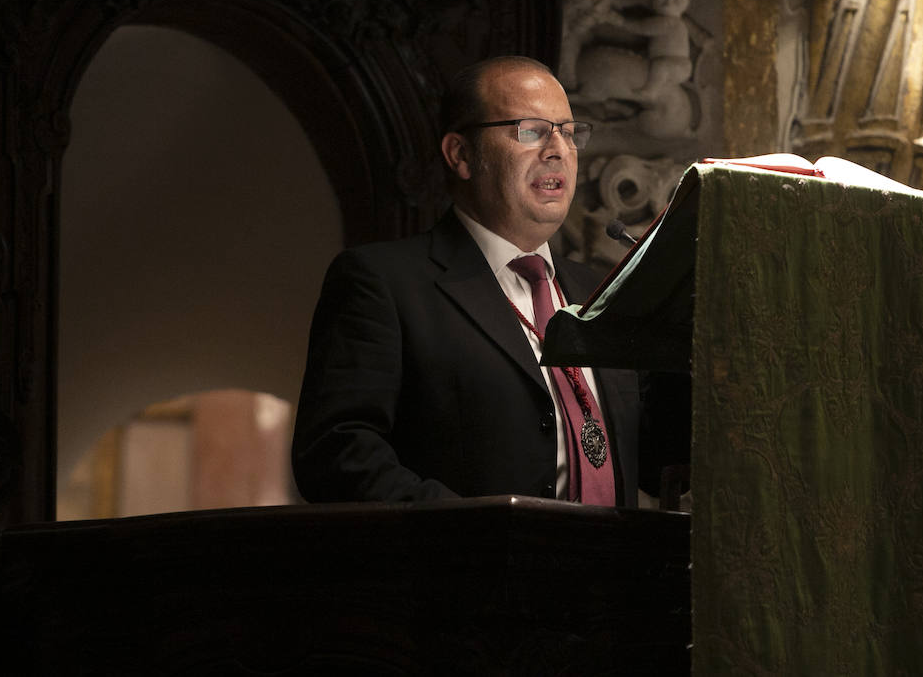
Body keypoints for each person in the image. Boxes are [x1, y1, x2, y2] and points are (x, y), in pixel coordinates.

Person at [292, 55, 682, 506]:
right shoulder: (382, 282)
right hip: (475, 569)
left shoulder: (604, 295)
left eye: (569, 133)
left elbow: (658, 465)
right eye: (532, 130)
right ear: (461, 154)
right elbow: (337, 456)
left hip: (608, 572)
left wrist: (692, 339)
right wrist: (483, 535)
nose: (558, 149)